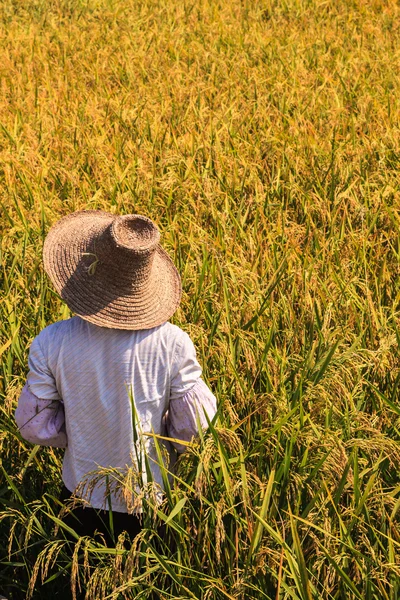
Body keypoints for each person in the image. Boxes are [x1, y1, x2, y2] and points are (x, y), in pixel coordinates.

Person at [14, 210, 217, 545]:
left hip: (79, 492)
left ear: (84, 271)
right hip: (150, 496)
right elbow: (194, 425)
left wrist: (84, 433)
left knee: (82, 578)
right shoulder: (173, 343)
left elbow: (33, 425)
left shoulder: (51, 341)